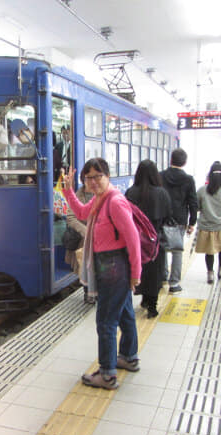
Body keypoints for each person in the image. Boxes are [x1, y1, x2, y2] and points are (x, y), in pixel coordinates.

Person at [61, 158, 141, 390]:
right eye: (88, 177)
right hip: (111, 264)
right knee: (125, 313)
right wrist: (68, 192)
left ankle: (107, 374)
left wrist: (136, 273)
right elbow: (81, 212)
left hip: (114, 265)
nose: (93, 181)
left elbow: (133, 239)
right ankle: (128, 356)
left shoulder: (115, 202)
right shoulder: (100, 199)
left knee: (105, 320)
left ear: (108, 176)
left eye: (98, 176)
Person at [125, 160, 172, 318]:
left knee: (141, 270)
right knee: (155, 272)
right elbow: (168, 216)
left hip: (136, 241)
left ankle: (144, 299)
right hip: (155, 241)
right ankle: (152, 305)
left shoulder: (131, 192)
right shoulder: (162, 193)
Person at [160, 148, 198, 293]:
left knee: (162, 248)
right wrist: (192, 222)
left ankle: (163, 276)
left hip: (162, 218)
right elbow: (193, 202)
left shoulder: (160, 176)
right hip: (180, 220)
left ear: (171, 160)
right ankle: (174, 283)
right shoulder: (188, 179)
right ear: (185, 162)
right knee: (177, 250)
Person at [195, 161, 221, 284]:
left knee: (210, 251)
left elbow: (197, 206)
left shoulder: (202, 190)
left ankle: (210, 274)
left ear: (210, 175)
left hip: (208, 227)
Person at [65, 179, 95, 303]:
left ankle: (95, 292)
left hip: (100, 239)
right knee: (84, 266)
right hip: (84, 240)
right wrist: (86, 231)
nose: (90, 181)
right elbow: (71, 217)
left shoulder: (100, 195)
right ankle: (88, 293)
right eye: (87, 178)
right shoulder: (78, 194)